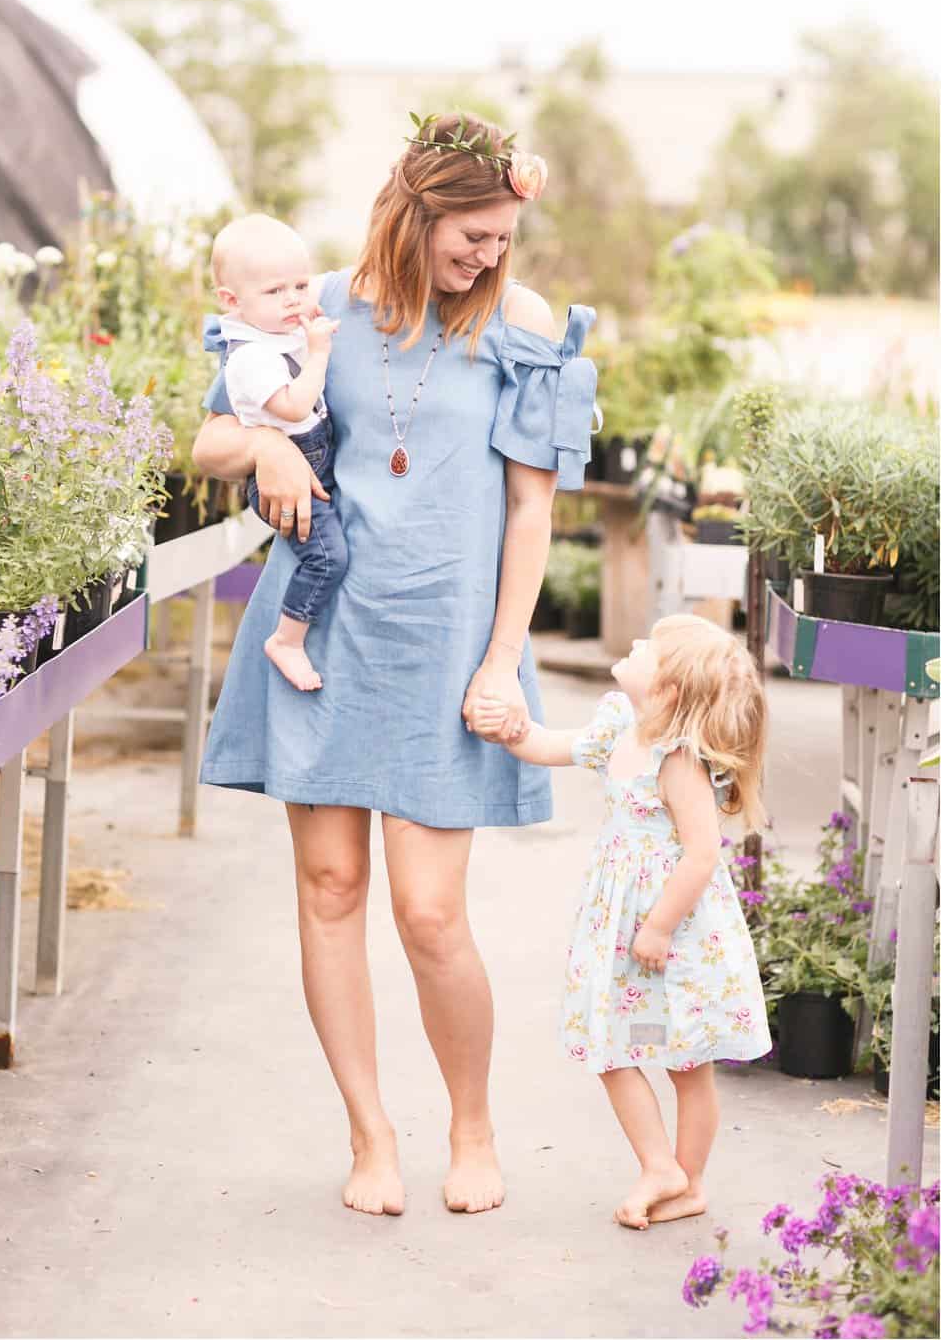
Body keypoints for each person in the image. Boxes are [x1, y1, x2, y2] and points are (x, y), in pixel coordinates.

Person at [190, 111, 599, 1217]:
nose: (490, 254)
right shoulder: (312, 307)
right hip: (318, 633)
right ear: (413, 213)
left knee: (428, 912)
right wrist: (269, 440)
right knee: (329, 889)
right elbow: (209, 440)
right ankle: (370, 1136)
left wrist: (505, 658)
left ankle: (471, 1125)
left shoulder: (517, 323)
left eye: (504, 233)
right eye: (472, 233)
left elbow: (529, 512)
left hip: (445, 639)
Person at [476, 614, 771, 1229]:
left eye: (649, 649)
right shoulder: (620, 727)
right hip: (624, 935)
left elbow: (703, 852)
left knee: (687, 1063)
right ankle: (660, 1166)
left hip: (672, 938)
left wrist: (659, 927)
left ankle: (686, 1183)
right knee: (614, 1046)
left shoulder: (678, 761)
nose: (635, 644)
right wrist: (513, 732)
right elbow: (551, 746)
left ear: (667, 691)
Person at [206, 213, 345, 691]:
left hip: (314, 457)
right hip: (294, 465)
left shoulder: (277, 334)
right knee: (328, 558)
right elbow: (292, 405)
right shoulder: (250, 357)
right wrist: (320, 352)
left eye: (301, 286)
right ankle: (287, 638)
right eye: (274, 291)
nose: (293, 300)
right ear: (232, 301)